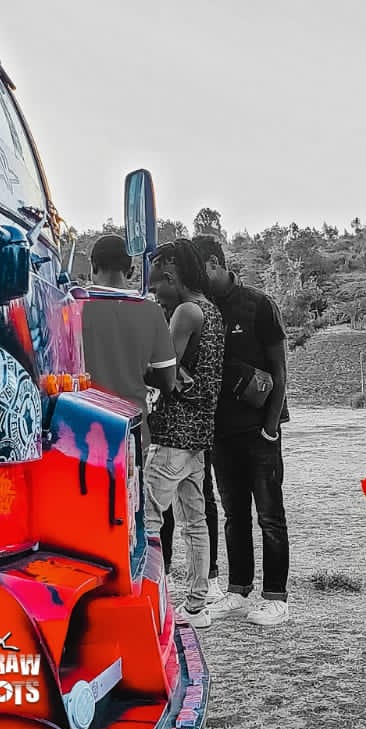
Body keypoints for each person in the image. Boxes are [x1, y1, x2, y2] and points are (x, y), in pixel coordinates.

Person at [192, 235, 290, 627]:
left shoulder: (258, 305)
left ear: (216, 263)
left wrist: (270, 429)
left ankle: (276, 598)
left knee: (270, 516)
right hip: (221, 432)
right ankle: (238, 590)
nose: (197, 279)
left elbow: (280, 370)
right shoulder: (201, 309)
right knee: (234, 515)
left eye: (200, 270)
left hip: (259, 431)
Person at [145, 240, 225, 625]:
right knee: (195, 522)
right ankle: (195, 605)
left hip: (174, 433)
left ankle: (147, 600)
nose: (155, 293)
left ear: (171, 275)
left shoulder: (186, 312)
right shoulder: (212, 310)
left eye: (157, 284)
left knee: (146, 517)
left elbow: (163, 373)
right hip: (199, 433)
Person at [82, 233, 177, 455]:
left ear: (93, 267)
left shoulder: (74, 307)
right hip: (133, 433)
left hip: (83, 432)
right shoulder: (152, 311)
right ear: (132, 271)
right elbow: (168, 381)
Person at [160, 452, 223, 604]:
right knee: (160, 498)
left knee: (202, 498)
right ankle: (162, 572)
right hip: (160, 443)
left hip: (195, 443)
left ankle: (208, 578)